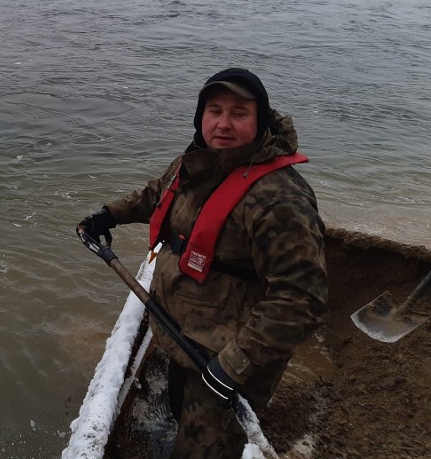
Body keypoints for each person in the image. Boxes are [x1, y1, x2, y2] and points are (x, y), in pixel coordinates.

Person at [77, 68, 328, 459]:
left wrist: (232, 365)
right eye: (215, 111)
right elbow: (155, 195)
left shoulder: (281, 201)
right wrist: (108, 215)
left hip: (230, 360)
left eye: (239, 113)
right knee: (180, 412)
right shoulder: (193, 163)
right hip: (183, 335)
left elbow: (301, 301)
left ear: (260, 120)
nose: (223, 124)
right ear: (201, 117)